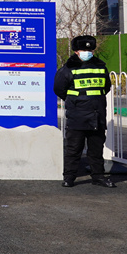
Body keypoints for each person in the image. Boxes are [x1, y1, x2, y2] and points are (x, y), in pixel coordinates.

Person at [53, 35, 114, 188]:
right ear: (76, 51)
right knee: (73, 149)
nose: (87, 52)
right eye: (83, 49)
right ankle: (69, 178)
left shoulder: (101, 67)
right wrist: (76, 100)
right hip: (77, 115)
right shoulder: (68, 68)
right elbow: (59, 88)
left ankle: (98, 177)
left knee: (96, 150)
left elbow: (106, 87)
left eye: (89, 49)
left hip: (97, 114)